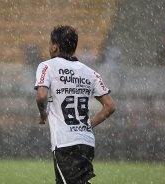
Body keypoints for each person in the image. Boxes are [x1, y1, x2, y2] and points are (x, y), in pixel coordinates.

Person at [34, 25, 115, 184]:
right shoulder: (90, 72)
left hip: (65, 143)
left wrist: (43, 113)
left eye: (50, 44)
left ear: (55, 47)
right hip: (86, 142)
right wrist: (87, 126)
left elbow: (41, 96)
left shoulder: (47, 66)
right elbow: (109, 106)